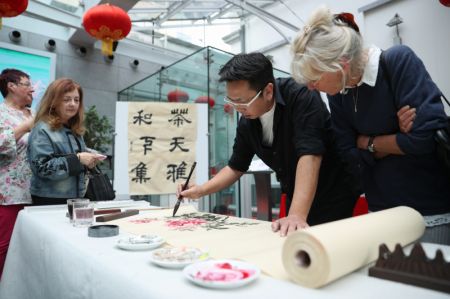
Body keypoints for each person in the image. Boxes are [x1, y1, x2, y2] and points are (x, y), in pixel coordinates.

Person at [290, 7, 450, 244]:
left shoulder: (397, 61)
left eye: (315, 78)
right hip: (379, 209)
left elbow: (424, 139)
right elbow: (349, 156)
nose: (311, 87)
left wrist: (367, 142)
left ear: (341, 65)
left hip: (427, 208)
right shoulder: (339, 92)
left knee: (428, 278)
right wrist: (395, 135)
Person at [178, 52, 359, 236]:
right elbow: (235, 167)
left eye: (242, 101)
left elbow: (310, 155)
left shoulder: (300, 95)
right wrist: (201, 190)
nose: (237, 108)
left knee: (323, 248)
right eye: (231, 101)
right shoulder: (247, 120)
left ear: (268, 91)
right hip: (294, 193)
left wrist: (296, 215)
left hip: (332, 192)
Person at [27, 78, 100, 205]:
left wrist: (90, 159)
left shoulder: (74, 129)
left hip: (76, 196)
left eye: (76, 100)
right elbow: (42, 168)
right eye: (66, 99)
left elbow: (74, 156)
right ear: (53, 101)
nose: (73, 104)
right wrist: (78, 159)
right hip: (49, 199)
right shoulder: (42, 128)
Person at [0, 69, 35, 279]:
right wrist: (28, 126)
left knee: (28, 246)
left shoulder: (33, 113)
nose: (32, 88)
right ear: (11, 86)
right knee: (4, 246)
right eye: (26, 84)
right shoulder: (2, 113)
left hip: (37, 192)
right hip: (10, 194)